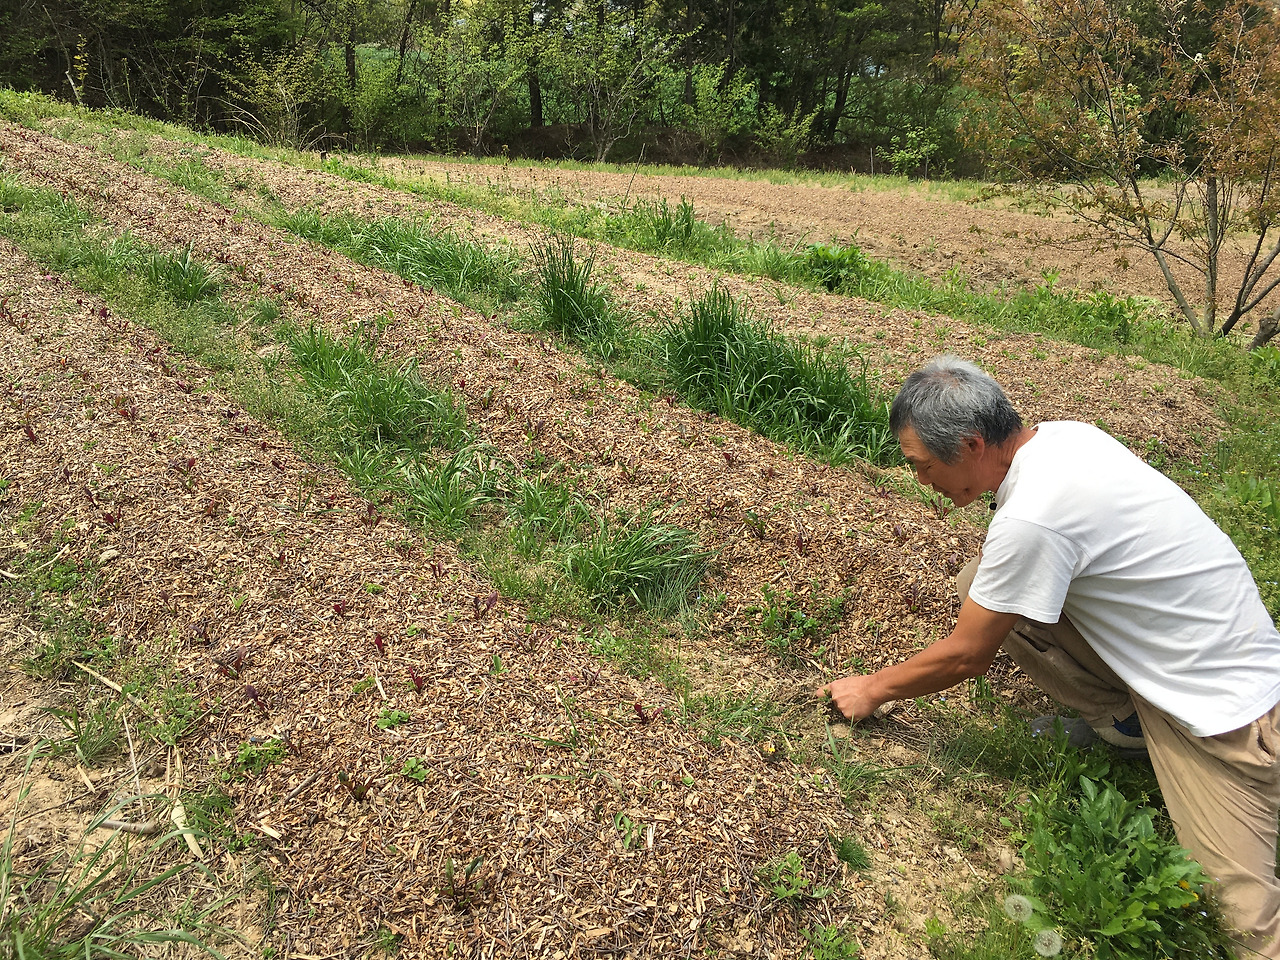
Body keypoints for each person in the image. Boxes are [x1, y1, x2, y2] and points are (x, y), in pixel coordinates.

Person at [817, 355, 1280, 958]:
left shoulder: (1033, 518)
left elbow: (966, 655)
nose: (922, 481)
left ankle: (1169, 740)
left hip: (1232, 720)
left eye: (923, 466)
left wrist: (871, 688)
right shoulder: (1066, 439)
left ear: (971, 444)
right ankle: (1129, 725)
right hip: (1213, 650)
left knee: (1243, 925)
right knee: (985, 584)